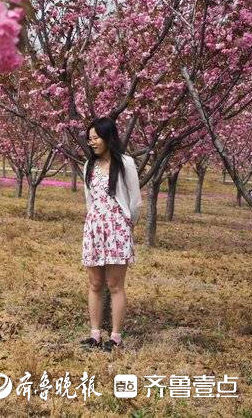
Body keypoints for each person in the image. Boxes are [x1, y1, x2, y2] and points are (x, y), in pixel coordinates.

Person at [80, 117, 142, 352]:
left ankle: (115, 338)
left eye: (96, 138)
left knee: (115, 285)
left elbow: (135, 202)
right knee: (95, 283)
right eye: (90, 138)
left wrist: (127, 224)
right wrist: (94, 223)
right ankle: (95, 334)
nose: (92, 142)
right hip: (95, 229)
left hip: (117, 229)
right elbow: (89, 200)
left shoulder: (125, 164)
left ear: (108, 138)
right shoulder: (89, 166)